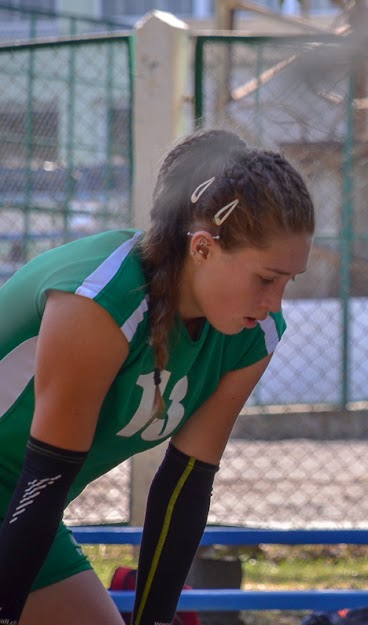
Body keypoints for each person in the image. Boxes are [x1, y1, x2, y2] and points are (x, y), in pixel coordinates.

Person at [0, 128, 315, 625]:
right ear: (204, 249)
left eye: (288, 282)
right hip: (29, 498)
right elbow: (47, 477)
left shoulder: (253, 335)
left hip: (21, 505)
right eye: (266, 279)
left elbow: (184, 487)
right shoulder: (102, 302)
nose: (275, 303)